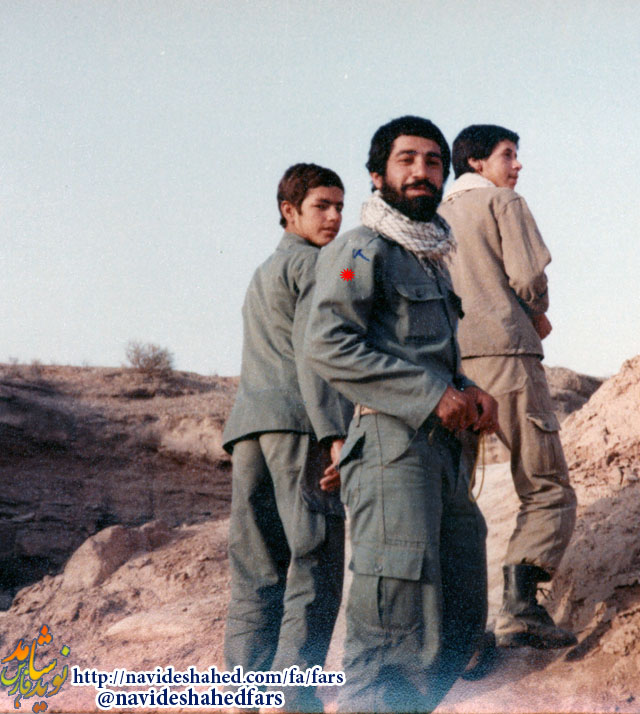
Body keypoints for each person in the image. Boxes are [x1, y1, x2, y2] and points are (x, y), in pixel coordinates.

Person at [306, 115, 499, 713]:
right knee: (394, 626)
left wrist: (469, 389)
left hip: (442, 452)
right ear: (377, 174)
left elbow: (423, 353)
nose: (422, 172)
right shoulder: (358, 250)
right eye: (407, 160)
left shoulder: (428, 256)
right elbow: (327, 342)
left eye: (433, 162)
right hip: (392, 449)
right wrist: (429, 395)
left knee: (459, 612)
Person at [438, 125, 578, 649]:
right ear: (476, 162)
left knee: (455, 499)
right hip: (508, 356)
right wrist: (536, 311)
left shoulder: (432, 217)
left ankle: (461, 635)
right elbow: (527, 277)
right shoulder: (503, 202)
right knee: (545, 485)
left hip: (448, 372)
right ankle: (521, 607)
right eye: (508, 155)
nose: (517, 166)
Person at [221, 163, 353, 713]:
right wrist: (336, 435)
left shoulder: (263, 271)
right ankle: (293, 700)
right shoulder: (319, 265)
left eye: (339, 206)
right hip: (299, 427)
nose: (334, 216)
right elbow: (316, 354)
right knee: (315, 562)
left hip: (249, 431)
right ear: (289, 211)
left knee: (257, 572)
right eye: (322, 205)